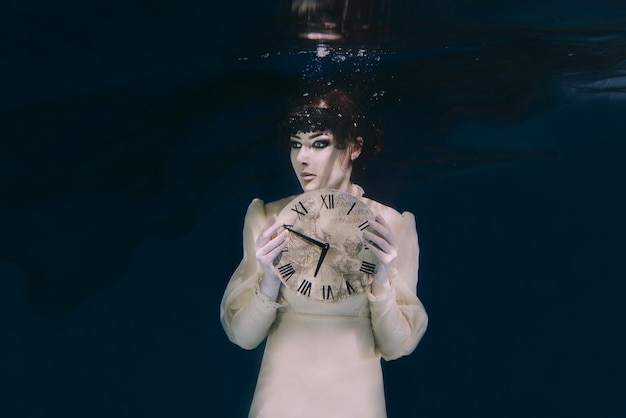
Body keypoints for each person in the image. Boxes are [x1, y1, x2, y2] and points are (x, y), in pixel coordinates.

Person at [220, 89, 428, 418]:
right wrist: (269, 279)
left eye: (319, 143)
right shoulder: (267, 217)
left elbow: (397, 346)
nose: (302, 158)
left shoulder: (393, 225)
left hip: (356, 404)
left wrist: (382, 280)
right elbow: (244, 338)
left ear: (355, 147)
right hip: (280, 402)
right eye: (295, 143)